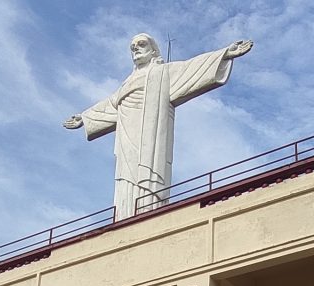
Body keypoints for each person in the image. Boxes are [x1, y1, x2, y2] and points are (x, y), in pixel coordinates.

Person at [65, 34, 253, 218]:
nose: (136, 49)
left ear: (154, 50)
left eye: (141, 44)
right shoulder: (126, 84)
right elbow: (110, 105)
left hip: (150, 143)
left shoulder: (162, 73)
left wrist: (224, 54)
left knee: (147, 185)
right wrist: (85, 117)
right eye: (133, 47)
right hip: (126, 144)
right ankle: (124, 219)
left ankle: (146, 219)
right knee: (125, 184)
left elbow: (191, 68)